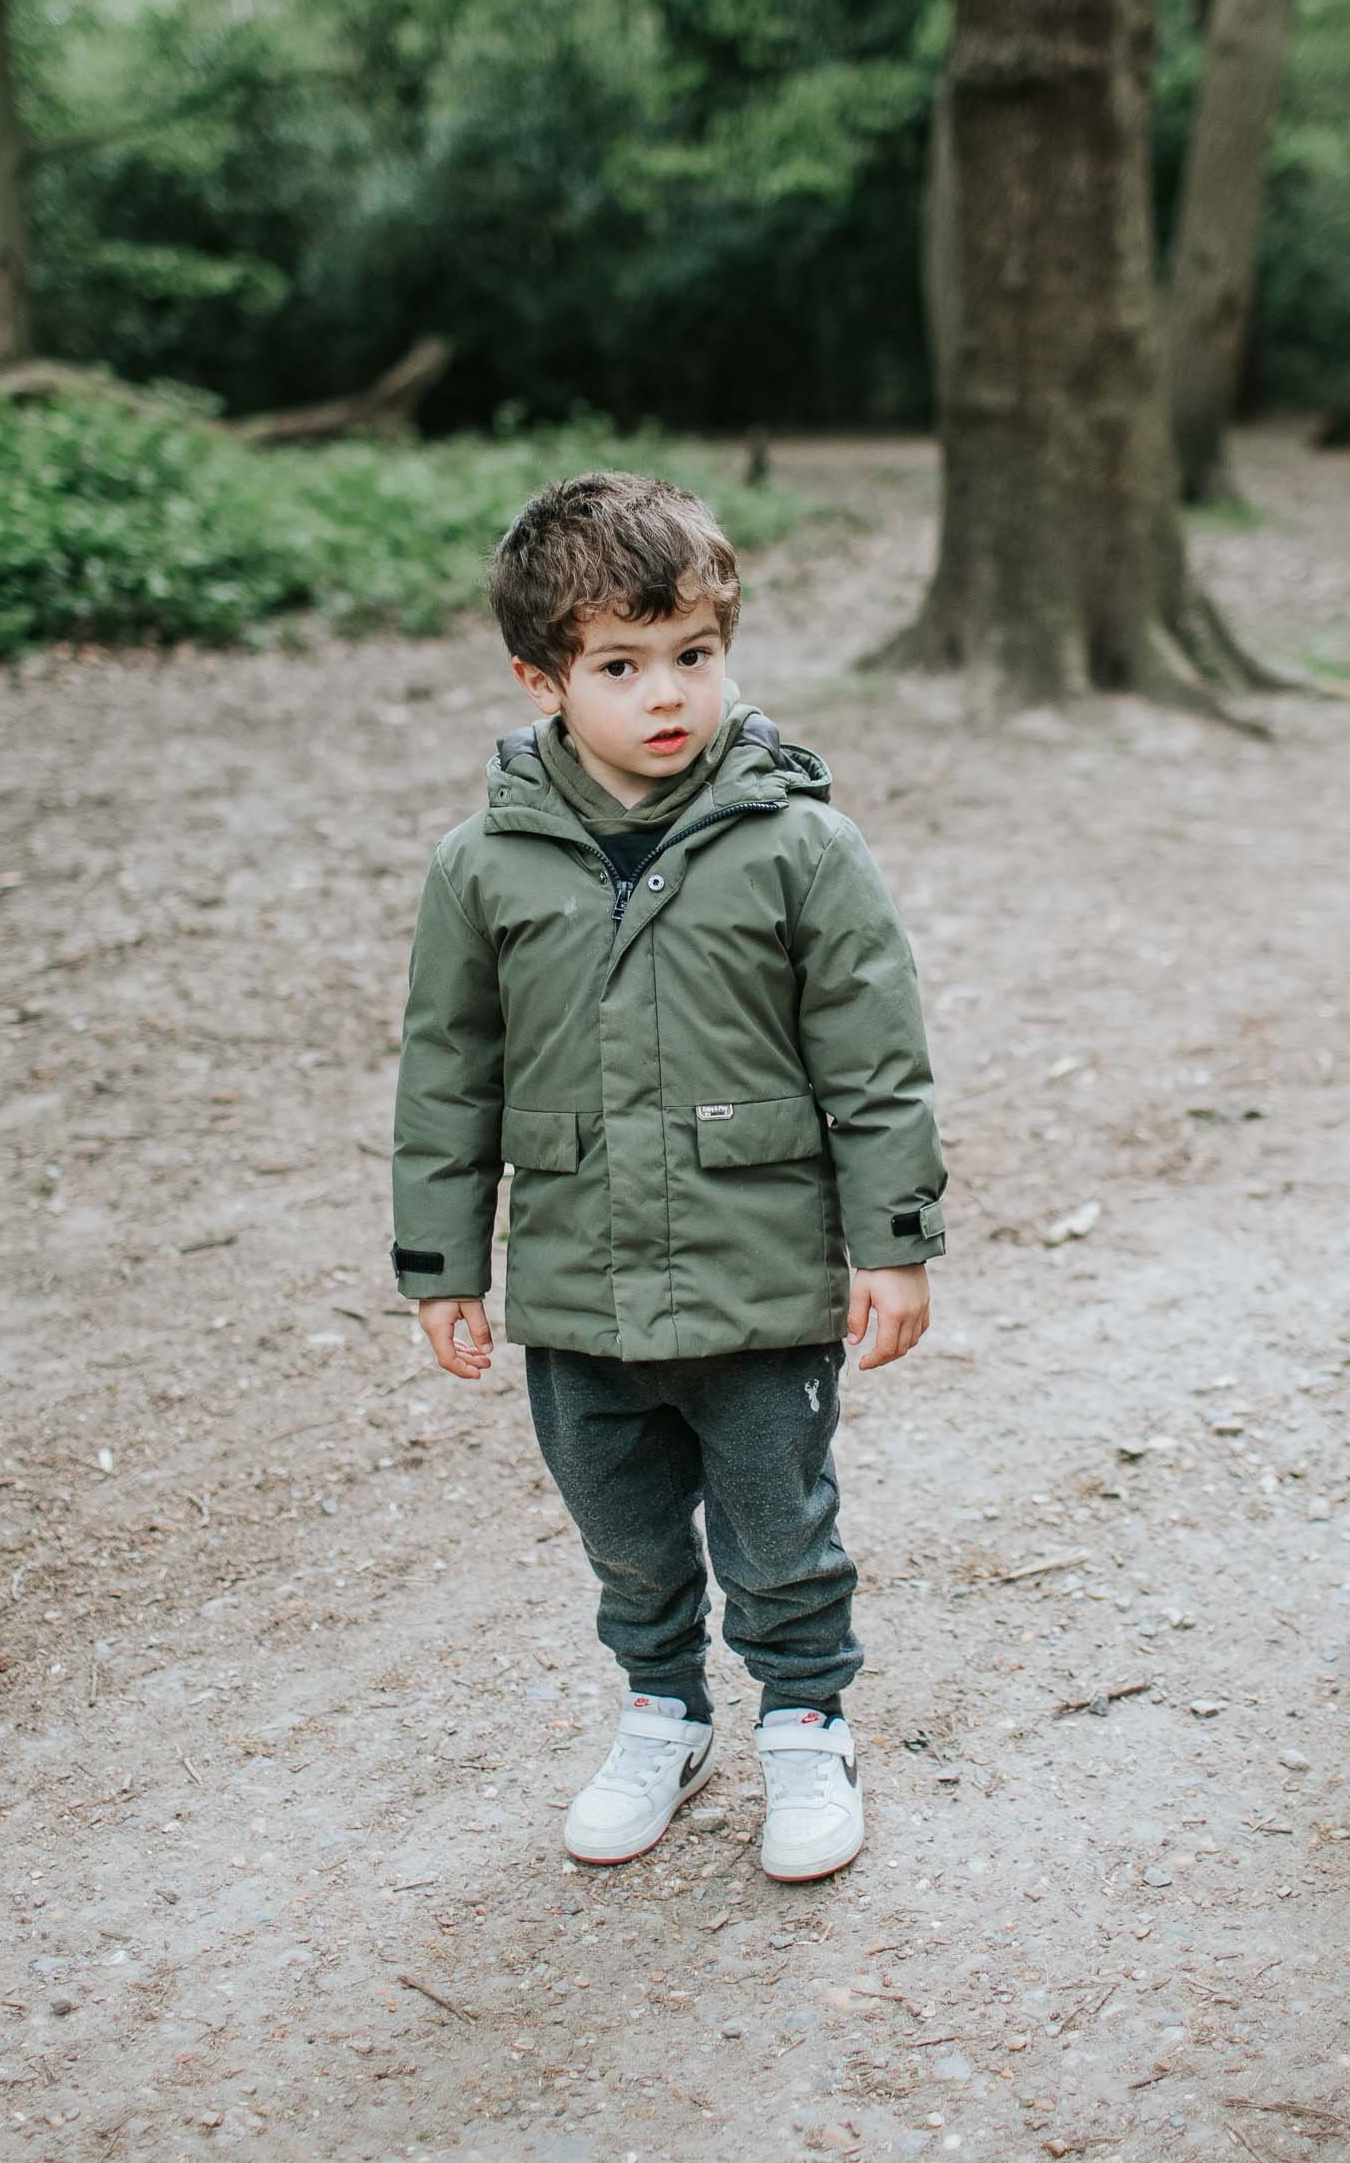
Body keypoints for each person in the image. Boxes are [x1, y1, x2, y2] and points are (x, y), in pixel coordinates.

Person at [390, 470, 946, 1879]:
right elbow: (448, 1073)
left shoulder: (800, 845)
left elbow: (875, 1060)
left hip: (760, 1279)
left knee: (779, 1526)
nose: (668, 694)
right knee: (626, 1535)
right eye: (622, 665)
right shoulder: (484, 867)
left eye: (694, 656)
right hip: (580, 1290)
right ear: (540, 679)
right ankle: (663, 1710)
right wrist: (443, 1264)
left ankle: (808, 1720)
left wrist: (892, 1242)